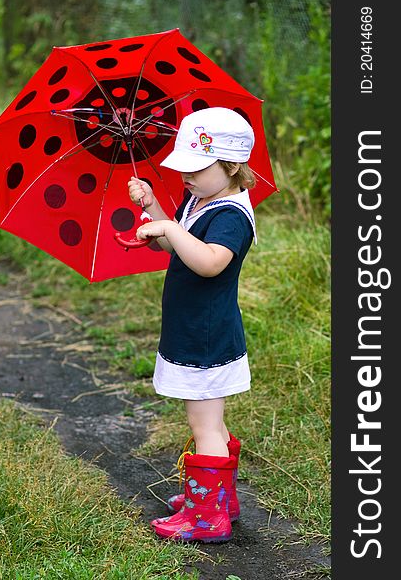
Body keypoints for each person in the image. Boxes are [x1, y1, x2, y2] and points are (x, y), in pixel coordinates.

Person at [128, 107, 257, 543]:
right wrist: (153, 210)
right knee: (211, 424)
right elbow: (174, 244)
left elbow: (207, 262)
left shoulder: (232, 216)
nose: (184, 175)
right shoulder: (200, 199)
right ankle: (219, 498)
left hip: (206, 337)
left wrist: (168, 226)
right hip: (194, 329)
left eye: (195, 168)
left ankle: (207, 517)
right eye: (180, 166)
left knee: (204, 426)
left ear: (232, 165)